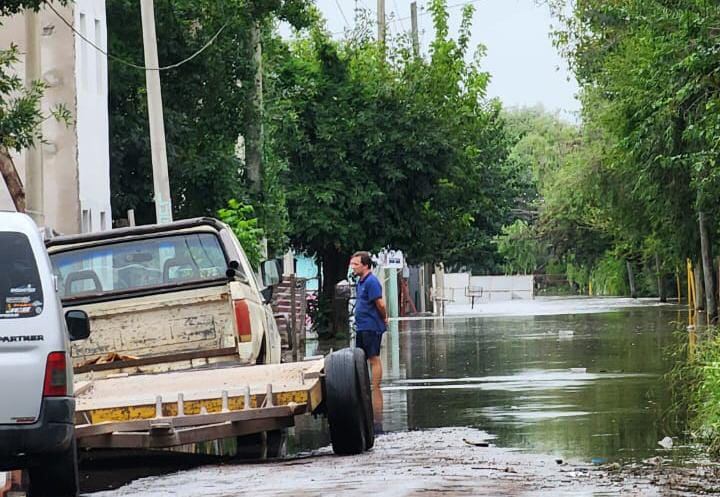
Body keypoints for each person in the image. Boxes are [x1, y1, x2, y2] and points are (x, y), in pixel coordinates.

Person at [350, 251, 388, 389]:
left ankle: (376, 388)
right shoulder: (360, 282)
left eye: (356, 264)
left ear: (365, 266)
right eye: (352, 264)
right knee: (360, 358)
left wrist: (384, 317)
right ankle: (364, 387)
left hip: (371, 326)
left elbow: (380, 304)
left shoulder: (371, 281)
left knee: (373, 358)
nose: (353, 267)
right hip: (362, 326)